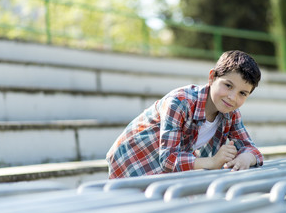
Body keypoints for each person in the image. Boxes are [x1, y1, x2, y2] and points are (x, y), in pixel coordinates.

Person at [106, 50, 263, 179]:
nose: (232, 97)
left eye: (242, 93)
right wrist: (212, 161)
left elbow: (251, 148)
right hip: (132, 160)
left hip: (163, 171)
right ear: (212, 78)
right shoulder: (180, 102)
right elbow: (168, 160)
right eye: (228, 85)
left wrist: (247, 157)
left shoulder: (231, 113)